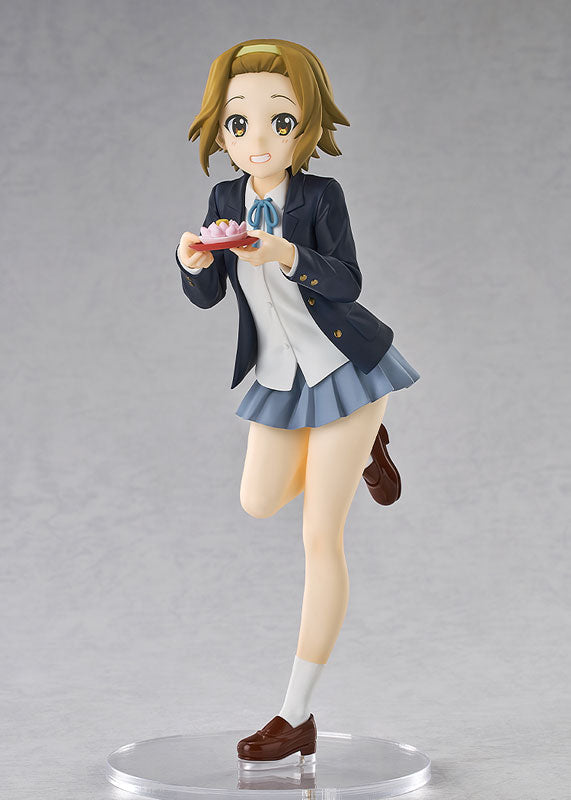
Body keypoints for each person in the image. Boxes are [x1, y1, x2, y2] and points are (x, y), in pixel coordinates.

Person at [175, 38, 420, 764]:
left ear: (305, 128)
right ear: (221, 133)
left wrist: (284, 253)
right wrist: (191, 263)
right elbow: (209, 295)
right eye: (238, 123)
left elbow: (347, 281)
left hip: (343, 368)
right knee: (257, 501)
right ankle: (367, 449)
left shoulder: (320, 197)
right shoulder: (224, 200)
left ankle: (295, 715)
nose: (257, 140)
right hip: (280, 378)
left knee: (320, 538)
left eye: (279, 122)